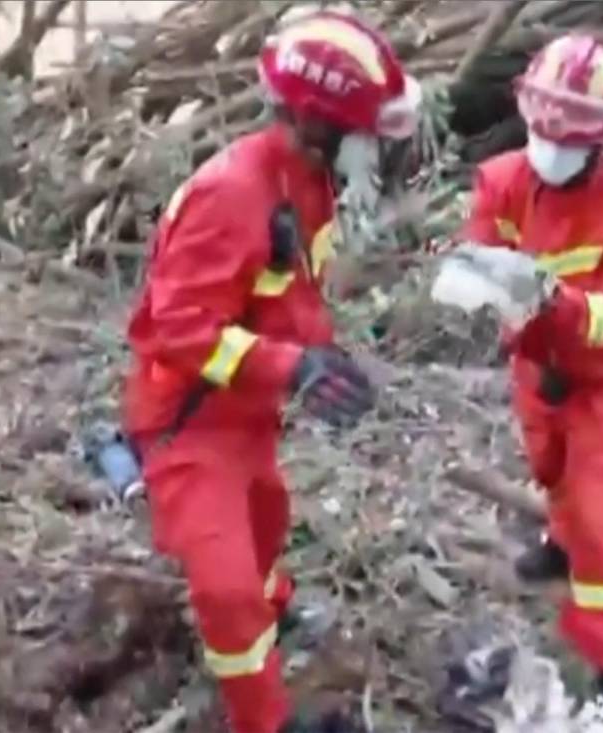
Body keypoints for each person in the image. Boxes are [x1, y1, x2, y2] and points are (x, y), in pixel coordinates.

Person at [122, 10, 420, 733]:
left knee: (264, 518)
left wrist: (321, 359)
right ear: (317, 122)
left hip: (244, 412)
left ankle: (275, 604)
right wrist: (294, 368)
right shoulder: (234, 194)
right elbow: (180, 331)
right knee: (225, 589)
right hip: (188, 423)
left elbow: (288, 294)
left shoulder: (304, 180)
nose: (373, 149)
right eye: (363, 133)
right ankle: (263, 715)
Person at [457, 34, 603, 733]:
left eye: (564, 132)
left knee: (599, 520)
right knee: (551, 471)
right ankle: (558, 541)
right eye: (540, 128)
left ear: (600, 136)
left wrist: (555, 301)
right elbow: (480, 250)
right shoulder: (502, 180)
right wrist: (477, 281)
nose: (547, 145)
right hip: (535, 368)